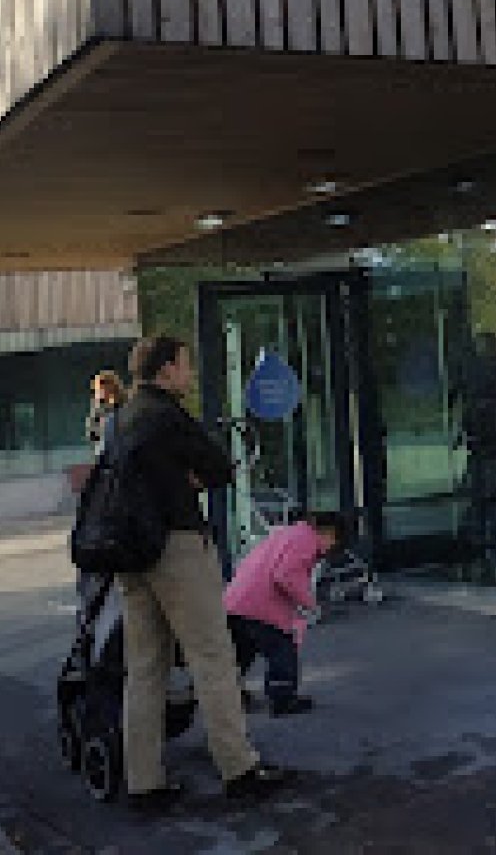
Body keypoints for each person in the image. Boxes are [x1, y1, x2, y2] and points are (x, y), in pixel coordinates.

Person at [115, 334, 295, 810]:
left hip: (131, 555)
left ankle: (144, 782)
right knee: (212, 657)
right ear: (166, 370)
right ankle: (238, 768)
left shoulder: (122, 418)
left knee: (145, 668)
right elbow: (218, 468)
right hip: (176, 547)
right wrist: (188, 478)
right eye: (185, 364)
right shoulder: (167, 416)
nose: (190, 374)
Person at [224, 511, 344, 717]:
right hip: (260, 605)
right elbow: (286, 575)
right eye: (335, 542)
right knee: (282, 651)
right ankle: (283, 699)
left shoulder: (287, 533)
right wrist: (310, 603)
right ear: (328, 532)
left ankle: (230, 697)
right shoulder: (306, 540)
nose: (331, 549)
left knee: (241, 652)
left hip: (236, 601)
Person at [86, 369, 125, 455]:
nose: (97, 391)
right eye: (96, 389)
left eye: (100, 388)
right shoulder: (96, 412)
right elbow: (94, 439)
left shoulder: (124, 409)